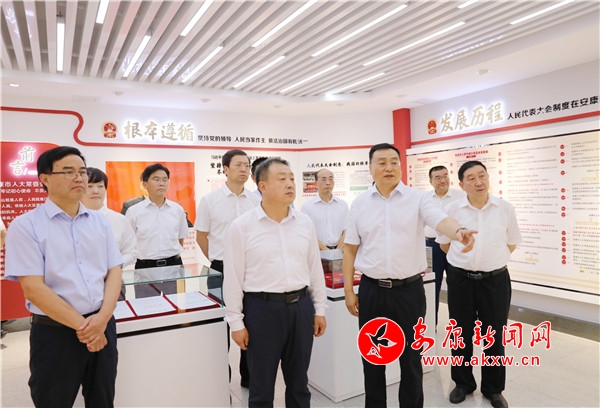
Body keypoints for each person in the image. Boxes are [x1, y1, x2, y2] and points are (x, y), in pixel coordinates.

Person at [342, 143, 476, 408]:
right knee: (373, 357)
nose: (389, 167)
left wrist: (458, 231)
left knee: (412, 359)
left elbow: (440, 219)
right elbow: (350, 250)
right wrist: (349, 291)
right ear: (371, 167)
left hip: (409, 291)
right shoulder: (359, 203)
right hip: (372, 290)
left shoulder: (418, 198)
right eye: (382, 162)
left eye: (394, 161)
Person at [4, 146, 123, 407]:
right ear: (45, 179)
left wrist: (102, 319)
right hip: (55, 333)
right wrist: (88, 329)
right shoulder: (26, 225)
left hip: (102, 324)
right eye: (68, 172)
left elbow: (114, 270)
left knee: (103, 399)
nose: (79, 178)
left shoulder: (100, 222)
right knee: (53, 401)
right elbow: (34, 289)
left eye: (82, 171)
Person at [224, 157, 327, 407]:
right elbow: (233, 278)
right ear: (262, 186)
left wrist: (319, 310)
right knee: (261, 388)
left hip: (301, 307)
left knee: (299, 385)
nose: (290, 183)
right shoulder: (242, 227)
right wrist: (236, 322)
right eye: (282, 179)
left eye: (291, 178)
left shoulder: (304, 223)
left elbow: (314, 269)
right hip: (262, 310)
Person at [437, 161, 521, 408]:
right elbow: (444, 244)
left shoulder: (504, 208)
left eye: (482, 176)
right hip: (461, 280)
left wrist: (488, 262)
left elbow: (511, 243)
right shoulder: (452, 209)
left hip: (495, 281)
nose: (478, 182)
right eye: (471, 178)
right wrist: (466, 262)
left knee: (494, 335)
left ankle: (493, 389)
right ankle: (463, 383)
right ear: (462, 185)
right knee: (460, 333)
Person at [194, 149, 261, 387]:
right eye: (238, 165)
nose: (244, 169)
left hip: (252, 271)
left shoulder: (256, 200)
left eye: (247, 165)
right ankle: (222, 378)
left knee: (251, 322)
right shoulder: (210, 200)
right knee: (220, 325)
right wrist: (219, 260)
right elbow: (201, 236)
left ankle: (249, 377)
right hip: (220, 270)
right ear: (225, 169)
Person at [126, 164, 189, 297]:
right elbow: (128, 241)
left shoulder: (177, 209)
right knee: (147, 307)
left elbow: (180, 238)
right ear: (145, 184)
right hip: (145, 268)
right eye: (156, 179)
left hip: (173, 266)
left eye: (165, 180)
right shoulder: (134, 211)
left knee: (176, 305)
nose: (161, 183)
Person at [424, 165, 466, 325]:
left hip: (453, 245)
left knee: (456, 286)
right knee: (431, 286)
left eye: (445, 176)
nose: (443, 180)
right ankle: (431, 325)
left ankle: (457, 326)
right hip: (431, 247)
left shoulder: (461, 196)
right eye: (438, 178)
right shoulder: (425, 198)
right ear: (431, 181)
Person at [82, 167, 137, 269]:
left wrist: (114, 265)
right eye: (89, 186)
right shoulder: (71, 220)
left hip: (113, 276)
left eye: (100, 186)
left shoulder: (119, 220)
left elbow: (131, 252)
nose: (95, 191)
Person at [301, 168, 349, 250]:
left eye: (331, 179)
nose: (328, 183)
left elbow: (347, 230)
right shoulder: (307, 206)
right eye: (323, 179)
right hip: (317, 251)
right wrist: (326, 251)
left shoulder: (343, 205)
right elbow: (307, 232)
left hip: (340, 251)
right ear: (316, 183)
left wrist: (337, 251)